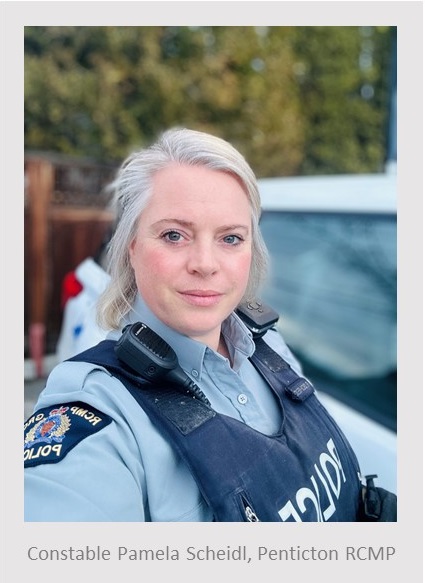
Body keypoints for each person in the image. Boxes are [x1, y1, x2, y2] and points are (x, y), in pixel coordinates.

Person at [24, 127, 395, 522]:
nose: (205, 263)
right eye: (174, 235)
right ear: (132, 246)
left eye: (231, 238)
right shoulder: (103, 419)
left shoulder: (268, 347)